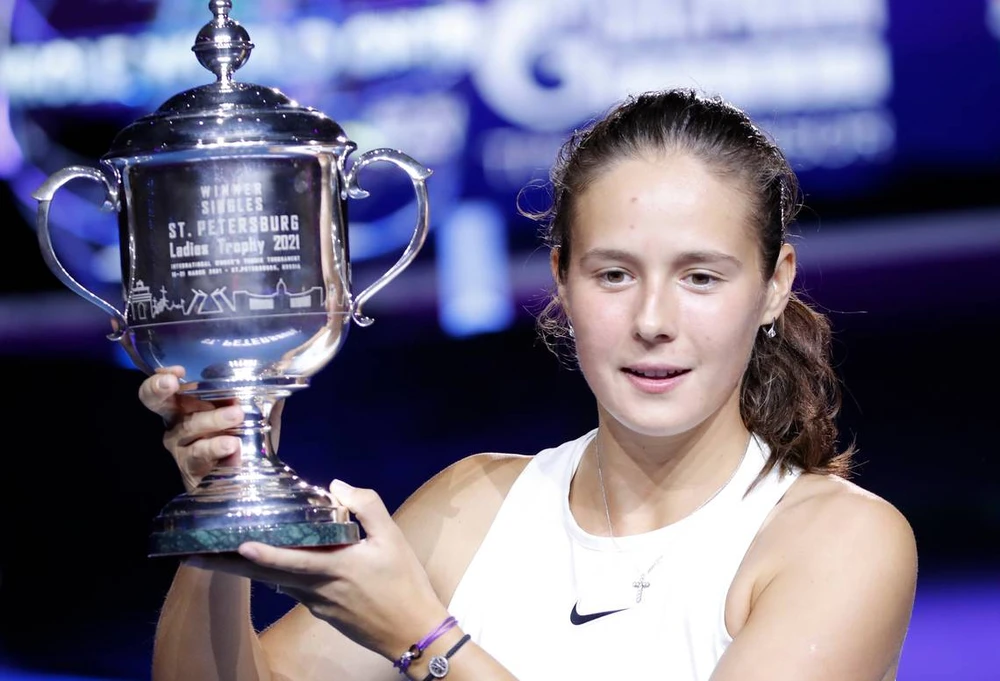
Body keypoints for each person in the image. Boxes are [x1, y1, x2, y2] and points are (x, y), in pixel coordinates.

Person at [140, 88, 918, 681]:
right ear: (562, 281)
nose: (653, 319)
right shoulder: (473, 505)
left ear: (775, 286)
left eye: (700, 276)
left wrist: (426, 638)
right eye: (613, 273)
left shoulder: (838, 541)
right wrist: (224, 502)